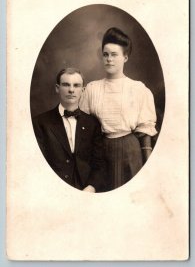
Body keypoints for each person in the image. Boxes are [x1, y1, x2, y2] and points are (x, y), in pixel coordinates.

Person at [80, 27, 157, 191]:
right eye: (105, 54)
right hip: (100, 155)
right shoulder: (92, 89)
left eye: (114, 55)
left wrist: (150, 170)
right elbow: (83, 130)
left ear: (125, 57)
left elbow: (145, 133)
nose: (109, 59)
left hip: (130, 152)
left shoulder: (137, 89)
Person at [32, 67, 107, 193]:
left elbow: (99, 164)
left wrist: (91, 188)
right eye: (66, 85)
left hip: (86, 190)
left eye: (76, 85)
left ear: (83, 90)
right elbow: (37, 164)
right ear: (57, 88)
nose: (71, 90)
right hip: (53, 190)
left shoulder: (92, 124)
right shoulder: (40, 123)